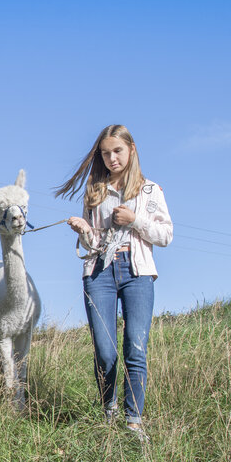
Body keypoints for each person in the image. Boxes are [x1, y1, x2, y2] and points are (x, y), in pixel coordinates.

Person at [55, 125, 172, 441]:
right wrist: (83, 229)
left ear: (131, 150)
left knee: (136, 346)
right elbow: (93, 242)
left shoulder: (150, 191)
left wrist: (135, 221)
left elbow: (165, 235)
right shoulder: (95, 191)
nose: (111, 158)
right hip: (99, 274)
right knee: (105, 352)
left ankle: (133, 422)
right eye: (105, 153)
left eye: (117, 151)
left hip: (137, 273)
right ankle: (109, 412)